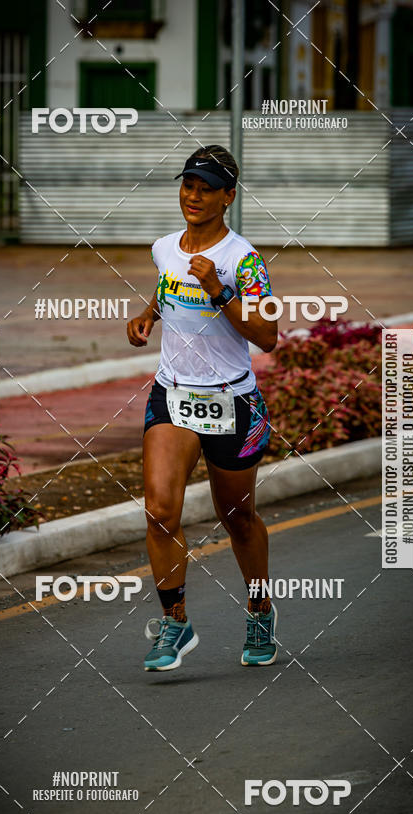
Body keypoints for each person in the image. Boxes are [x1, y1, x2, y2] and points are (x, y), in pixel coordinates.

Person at [126, 144, 278, 672]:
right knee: (160, 510)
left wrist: (217, 289)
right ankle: (176, 623)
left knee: (237, 518)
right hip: (172, 393)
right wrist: (147, 315)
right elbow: (168, 284)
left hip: (233, 400)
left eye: (206, 188)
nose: (193, 195)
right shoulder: (164, 247)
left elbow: (268, 335)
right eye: (188, 184)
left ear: (228, 197)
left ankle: (259, 610)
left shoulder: (246, 261)